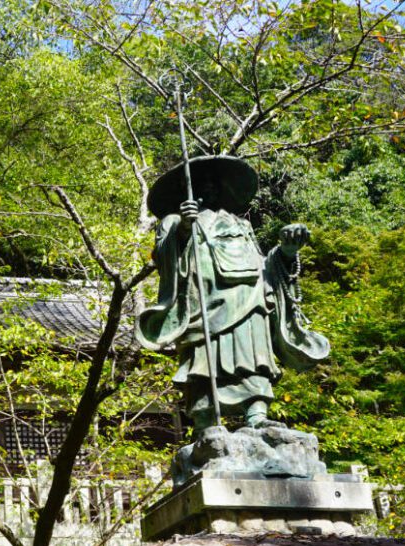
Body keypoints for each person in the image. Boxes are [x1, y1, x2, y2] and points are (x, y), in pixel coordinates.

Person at [136, 155, 329, 432]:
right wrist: (184, 228)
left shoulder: (242, 225)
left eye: (214, 182)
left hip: (249, 296)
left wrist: (286, 252)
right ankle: (205, 424)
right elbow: (164, 257)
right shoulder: (174, 221)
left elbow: (263, 265)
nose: (209, 187)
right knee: (203, 361)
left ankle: (256, 414)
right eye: (201, 182)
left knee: (253, 355)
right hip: (203, 301)